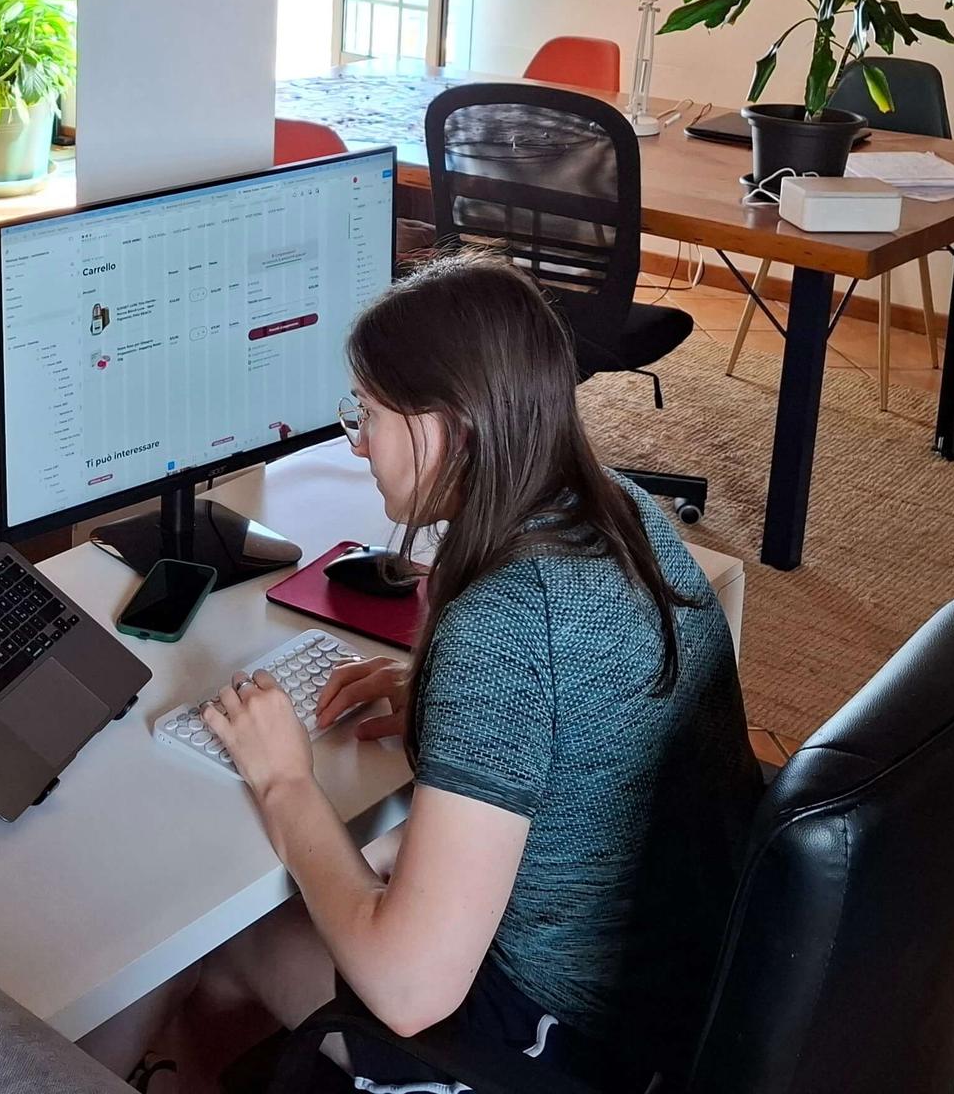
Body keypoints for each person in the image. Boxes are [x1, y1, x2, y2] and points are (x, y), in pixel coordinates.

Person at [149, 256, 760, 1093]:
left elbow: (408, 990)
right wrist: (440, 697)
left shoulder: (503, 627)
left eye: (367, 414)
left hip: (569, 1046)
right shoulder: (622, 507)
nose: (355, 443)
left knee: (222, 941)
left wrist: (285, 779)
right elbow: (594, 698)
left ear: (452, 426)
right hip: (684, 994)